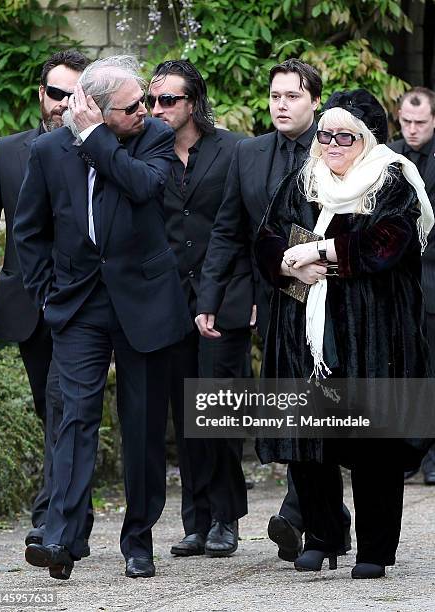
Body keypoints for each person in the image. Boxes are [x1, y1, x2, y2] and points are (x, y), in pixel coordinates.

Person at [14, 55, 191, 580]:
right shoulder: (47, 150)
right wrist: (47, 295)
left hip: (144, 301)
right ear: (94, 106)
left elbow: (142, 187)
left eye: (145, 101)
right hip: (79, 303)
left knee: (140, 427)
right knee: (73, 419)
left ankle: (138, 541)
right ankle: (61, 538)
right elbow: (30, 230)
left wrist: (97, 140)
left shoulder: (154, 137)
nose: (146, 109)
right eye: (132, 105)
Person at [255, 89, 434, 578]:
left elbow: (386, 241)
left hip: (371, 328)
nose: (331, 144)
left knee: (373, 442)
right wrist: (289, 266)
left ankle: (375, 549)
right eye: (326, 135)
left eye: (344, 136)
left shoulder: (391, 179)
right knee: (311, 440)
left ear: (367, 139)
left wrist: (317, 253)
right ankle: (323, 535)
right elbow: (269, 235)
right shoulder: (303, 178)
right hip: (305, 327)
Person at [195, 58, 350, 561]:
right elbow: (227, 229)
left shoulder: (336, 150)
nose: (281, 105)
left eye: (293, 97)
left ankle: (301, 511)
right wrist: (211, 297)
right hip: (273, 296)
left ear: (315, 101)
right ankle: (319, 513)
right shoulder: (249, 153)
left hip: (330, 295)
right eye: (275, 96)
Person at [0, 49, 92, 551]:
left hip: (82, 303)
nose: (63, 105)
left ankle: (51, 520)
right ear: (40, 95)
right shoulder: (6, 150)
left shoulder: (103, 148)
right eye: (56, 93)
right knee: (50, 409)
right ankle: (77, 516)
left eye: (75, 95)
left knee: (62, 403)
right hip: (28, 305)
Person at [148, 60, 251, 557]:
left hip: (224, 297)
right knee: (184, 414)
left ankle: (226, 517)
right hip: (168, 302)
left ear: (193, 102)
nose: (157, 109)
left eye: (168, 100)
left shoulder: (232, 149)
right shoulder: (146, 150)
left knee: (219, 410)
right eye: (152, 101)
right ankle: (196, 519)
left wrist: (249, 294)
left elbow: (248, 227)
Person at [389, 87, 435, 485]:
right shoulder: (389, 156)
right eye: (407, 121)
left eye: (421, 122)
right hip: (401, 282)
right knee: (405, 368)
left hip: (433, 274)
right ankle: (409, 448)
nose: (413, 129)